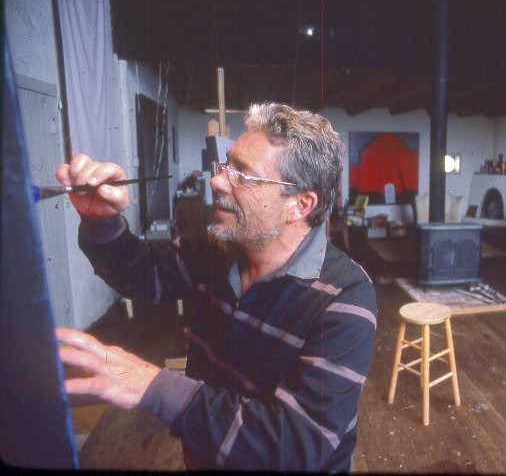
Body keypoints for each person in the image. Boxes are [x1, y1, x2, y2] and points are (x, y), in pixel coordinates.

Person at [55, 103, 378, 471]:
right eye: (226, 165)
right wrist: (100, 220)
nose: (217, 181)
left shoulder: (347, 297)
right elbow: (142, 274)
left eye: (244, 174)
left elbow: (297, 446)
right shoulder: (219, 251)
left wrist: (151, 385)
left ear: (300, 205)